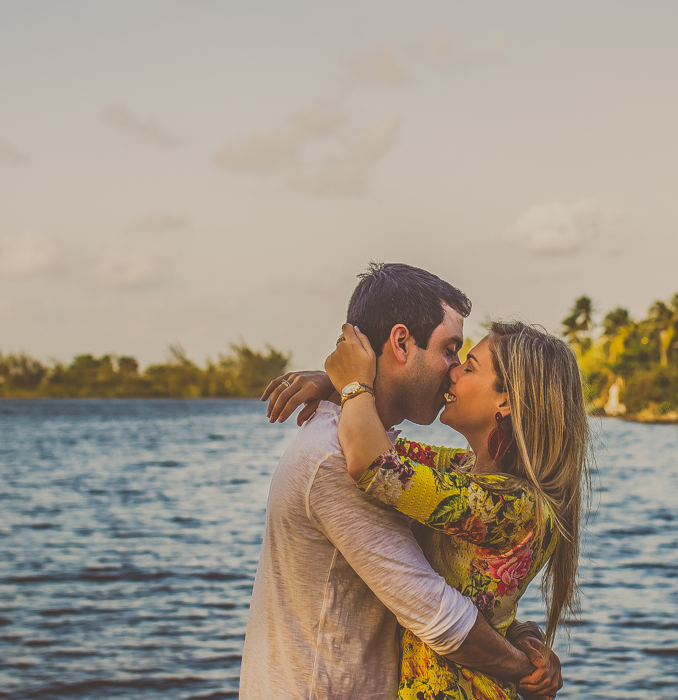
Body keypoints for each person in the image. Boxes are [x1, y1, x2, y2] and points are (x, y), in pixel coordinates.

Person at [240, 263, 561, 700]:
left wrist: (348, 386)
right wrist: (523, 666)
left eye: (466, 363)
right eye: (453, 351)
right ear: (401, 342)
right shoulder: (337, 458)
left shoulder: (483, 491)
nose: (453, 370)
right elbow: (441, 614)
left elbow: (383, 468)